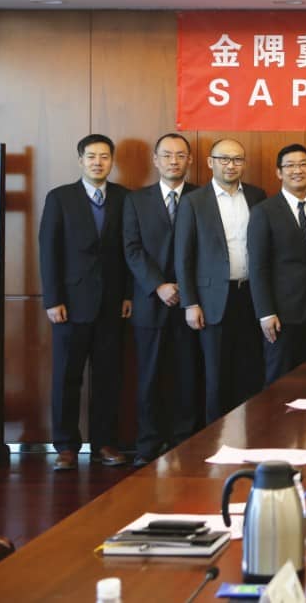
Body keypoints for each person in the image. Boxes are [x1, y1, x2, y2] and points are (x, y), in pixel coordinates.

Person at [39, 133, 132, 470]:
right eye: (91, 156)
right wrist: (53, 299)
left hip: (112, 304)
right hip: (70, 304)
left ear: (112, 161)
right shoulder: (60, 197)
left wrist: (127, 294)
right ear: (80, 160)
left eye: (104, 156)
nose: (98, 162)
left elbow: (130, 250)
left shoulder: (124, 197)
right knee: (67, 377)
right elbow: (48, 250)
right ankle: (65, 446)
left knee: (108, 377)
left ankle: (104, 443)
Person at [175, 138, 267, 421]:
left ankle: (248, 436)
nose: (231, 165)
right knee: (216, 376)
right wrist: (190, 303)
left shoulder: (257, 196)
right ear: (210, 162)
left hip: (250, 295)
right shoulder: (194, 201)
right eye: (224, 159)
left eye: (237, 159)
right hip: (212, 299)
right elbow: (183, 256)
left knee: (249, 372)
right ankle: (216, 440)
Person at [122, 132, 199, 465]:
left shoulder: (201, 196)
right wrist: (159, 285)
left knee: (188, 377)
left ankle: (186, 442)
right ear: (156, 160)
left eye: (180, 155)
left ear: (190, 160)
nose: (173, 161)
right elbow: (132, 249)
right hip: (150, 302)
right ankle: (148, 445)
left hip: (191, 302)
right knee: (149, 378)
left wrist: (185, 287)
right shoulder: (136, 200)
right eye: (167, 155)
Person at [248, 143, 306, 384]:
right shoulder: (264, 211)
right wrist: (265, 313)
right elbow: (258, 267)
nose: (297, 170)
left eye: (303, 164)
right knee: (280, 382)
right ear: (279, 172)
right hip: (282, 315)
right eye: (290, 166)